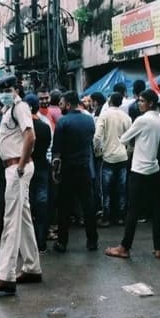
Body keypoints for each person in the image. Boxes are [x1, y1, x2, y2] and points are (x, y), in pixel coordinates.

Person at [0, 76, 42, 294]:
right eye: (2, 90)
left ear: (16, 89)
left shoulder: (20, 107)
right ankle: (32, 268)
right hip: (15, 166)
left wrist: (21, 165)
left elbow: (30, 137)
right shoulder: (9, 110)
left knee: (10, 221)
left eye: (8, 90)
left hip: (17, 167)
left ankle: (5, 276)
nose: (4, 93)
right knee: (23, 219)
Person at [105, 90, 160, 260]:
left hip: (139, 170)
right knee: (155, 210)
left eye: (142, 101)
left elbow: (124, 139)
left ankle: (124, 247)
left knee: (133, 210)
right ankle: (158, 248)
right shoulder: (159, 119)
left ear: (150, 103)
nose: (139, 103)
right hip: (154, 168)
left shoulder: (142, 120)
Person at [51, 91, 98, 253]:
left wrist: (55, 172)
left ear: (69, 104)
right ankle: (92, 241)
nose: (60, 107)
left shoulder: (63, 122)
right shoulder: (89, 120)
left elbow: (57, 151)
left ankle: (62, 242)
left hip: (67, 169)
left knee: (64, 207)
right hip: (84, 168)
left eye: (62, 104)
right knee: (88, 205)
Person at [94, 92, 131, 226]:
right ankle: (120, 217)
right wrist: (126, 150)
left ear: (109, 101)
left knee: (106, 190)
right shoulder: (126, 117)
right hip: (122, 156)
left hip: (108, 157)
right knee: (121, 189)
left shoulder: (104, 115)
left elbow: (97, 137)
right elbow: (130, 136)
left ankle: (106, 218)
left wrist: (98, 151)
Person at [25, 94, 52, 253]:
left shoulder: (23, 128)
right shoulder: (45, 126)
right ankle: (41, 242)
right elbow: (48, 146)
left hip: (26, 167)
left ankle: (29, 243)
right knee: (42, 203)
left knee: (27, 205)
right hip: (42, 166)